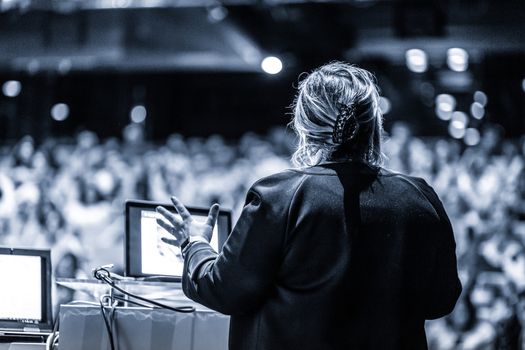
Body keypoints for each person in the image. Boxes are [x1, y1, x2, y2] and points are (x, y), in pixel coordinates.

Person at [156, 61, 462, 350]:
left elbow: (224, 290)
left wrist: (193, 244)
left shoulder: (280, 196)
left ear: (303, 125)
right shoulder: (420, 198)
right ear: (374, 125)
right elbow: (441, 300)